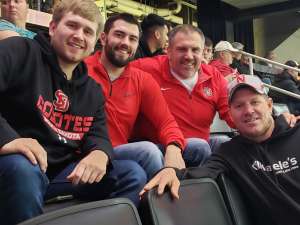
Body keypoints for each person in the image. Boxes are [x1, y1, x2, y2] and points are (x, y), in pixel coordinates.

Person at [0, 1, 147, 224]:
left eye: (88, 31)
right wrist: (8, 139)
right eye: (72, 25)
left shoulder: (92, 90)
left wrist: (100, 153)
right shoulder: (18, 51)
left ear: (95, 42)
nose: (79, 35)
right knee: (23, 169)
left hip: (60, 174)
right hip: (14, 166)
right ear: (52, 28)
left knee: (132, 174)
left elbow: (98, 135)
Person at [142, 75, 300, 225]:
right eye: (239, 106)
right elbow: (199, 172)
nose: (248, 111)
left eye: (255, 102)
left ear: (269, 105)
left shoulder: (296, 132)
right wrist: (170, 171)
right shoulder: (230, 152)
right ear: (230, 113)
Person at [85, 13, 200, 180]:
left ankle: (191, 198)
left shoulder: (142, 79)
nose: (125, 43)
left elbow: (166, 122)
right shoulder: (82, 70)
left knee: (199, 147)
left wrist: (174, 147)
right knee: (148, 151)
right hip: (90, 151)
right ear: (103, 38)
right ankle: (160, 204)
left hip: (122, 150)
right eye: (119, 35)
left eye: (132, 38)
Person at [131, 25, 234, 155]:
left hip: (200, 150)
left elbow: (231, 113)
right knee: (199, 146)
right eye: (181, 49)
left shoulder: (214, 77)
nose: (189, 56)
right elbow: (111, 73)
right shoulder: (144, 68)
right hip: (159, 149)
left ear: (203, 53)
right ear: (168, 51)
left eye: (195, 50)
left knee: (225, 143)